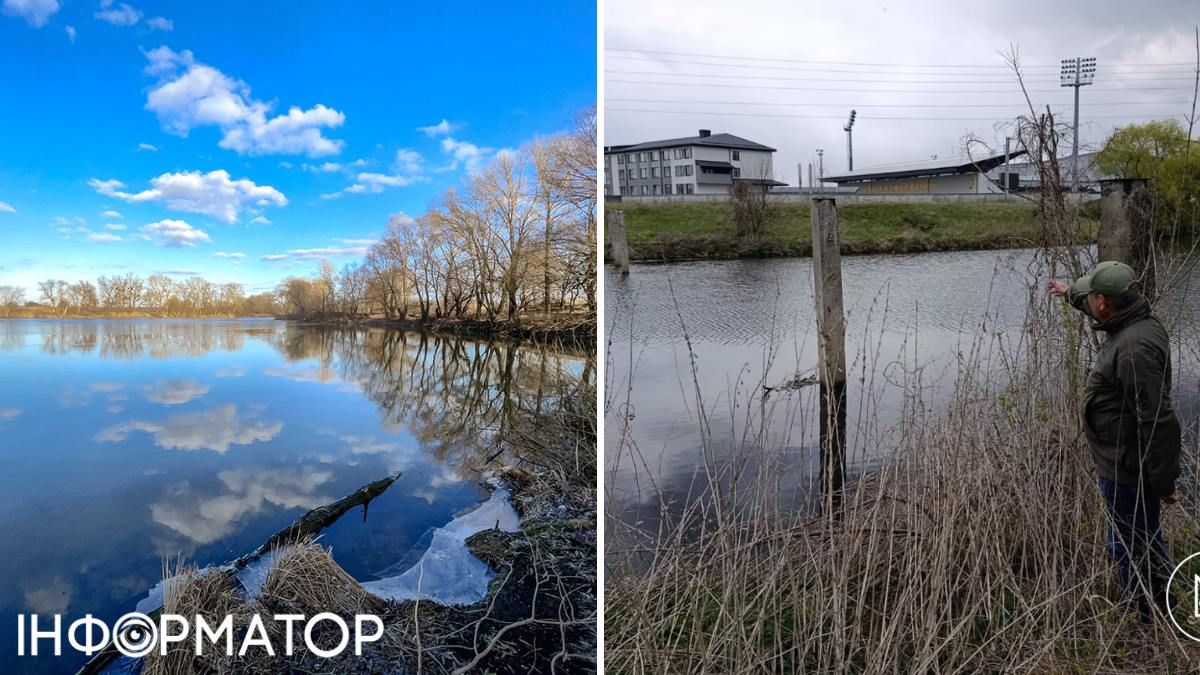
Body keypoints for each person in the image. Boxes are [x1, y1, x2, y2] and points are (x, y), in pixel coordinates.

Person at [1048, 260, 1182, 622]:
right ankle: (1165, 604)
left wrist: (1164, 482)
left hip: (1128, 469)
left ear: (1104, 302)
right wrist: (1068, 293)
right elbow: (1093, 302)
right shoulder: (1133, 317)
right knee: (1143, 538)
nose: (1089, 300)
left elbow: (1158, 421)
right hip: (1123, 462)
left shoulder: (1134, 349)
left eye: (1091, 295)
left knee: (1130, 546)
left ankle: (1146, 617)